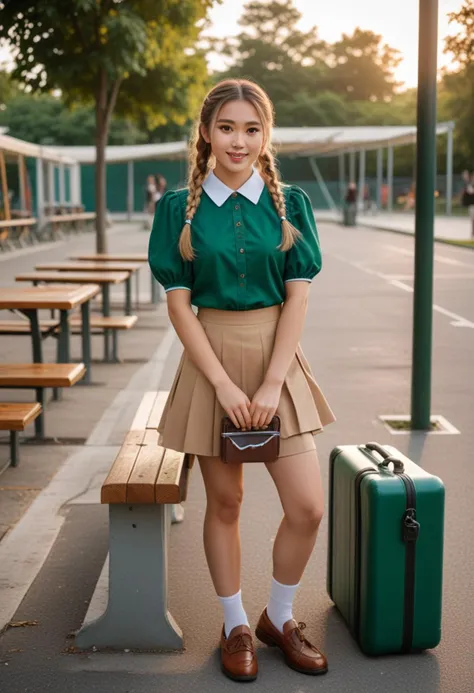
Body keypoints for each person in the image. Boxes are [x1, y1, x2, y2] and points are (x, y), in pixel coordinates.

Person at [148, 79, 336, 682]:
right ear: (206, 132)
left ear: (266, 135)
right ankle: (233, 625)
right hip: (212, 356)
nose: (239, 140)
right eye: (227, 127)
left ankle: (277, 618)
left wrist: (269, 384)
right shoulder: (177, 208)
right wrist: (227, 388)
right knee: (226, 501)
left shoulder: (290, 205)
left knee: (307, 506)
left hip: (276, 356)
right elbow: (181, 307)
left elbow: (298, 301)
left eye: (252, 129)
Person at [461, 170, 474, 238]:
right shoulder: (469, 185)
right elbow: (469, 191)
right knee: (472, 220)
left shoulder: (470, 185)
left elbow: (471, 191)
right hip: (472, 205)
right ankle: (472, 233)